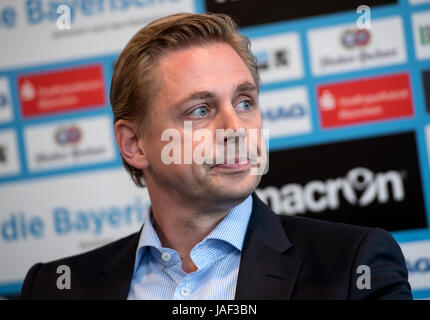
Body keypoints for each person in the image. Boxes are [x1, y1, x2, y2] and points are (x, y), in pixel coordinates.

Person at [21, 13, 412, 300]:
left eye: (244, 102)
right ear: (135, 144)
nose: (235, 128)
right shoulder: (56, 287)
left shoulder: (353, 266)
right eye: (201, 110)